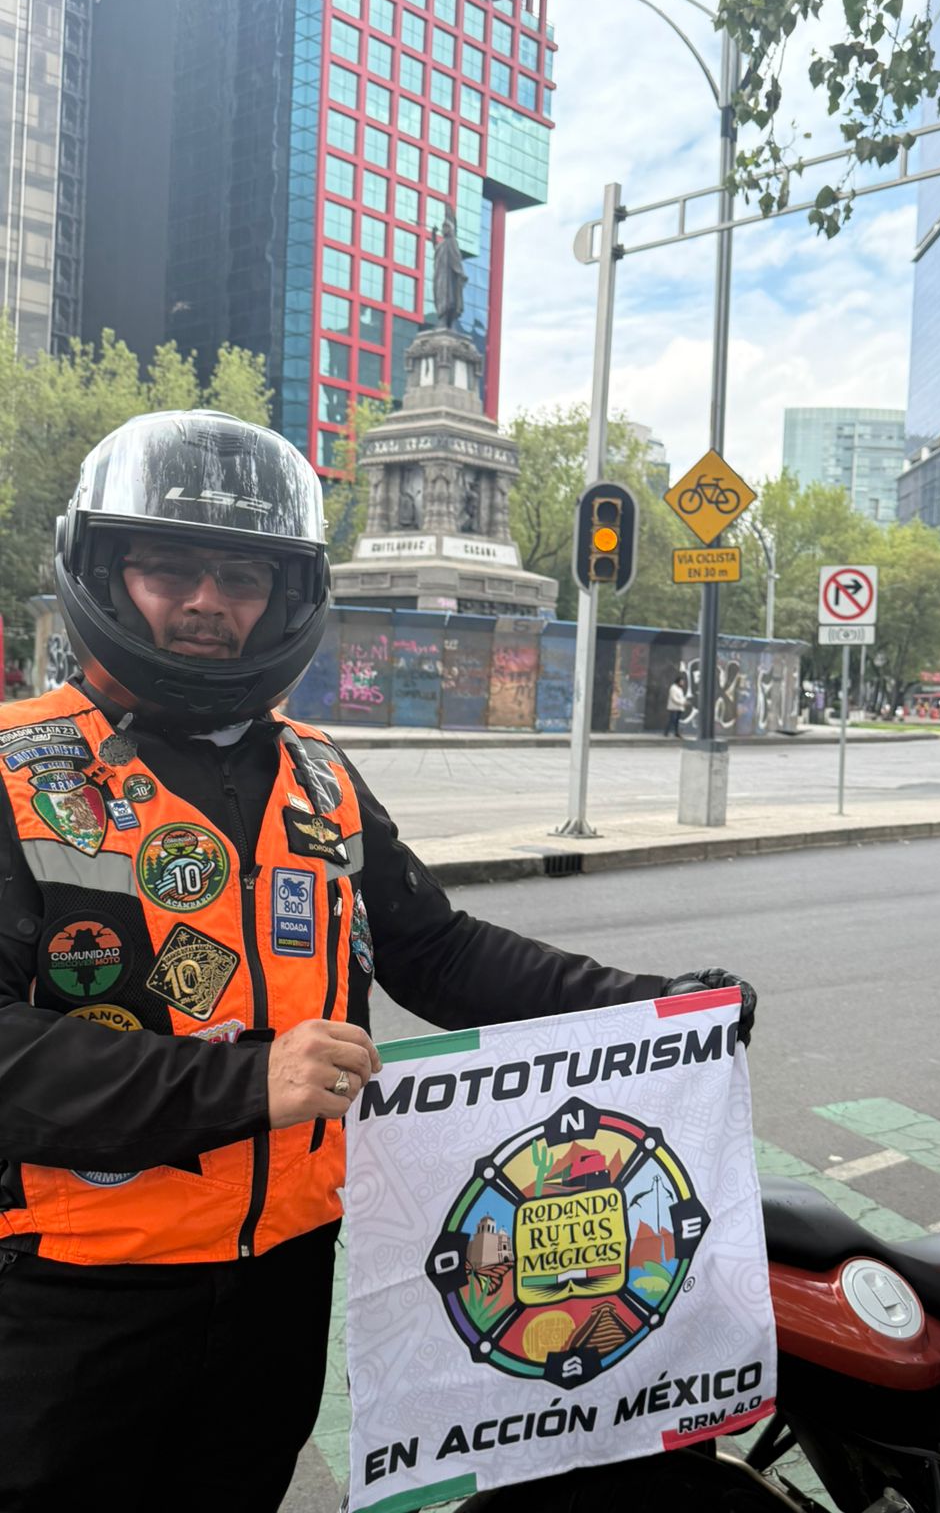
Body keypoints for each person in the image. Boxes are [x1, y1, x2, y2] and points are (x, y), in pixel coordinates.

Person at [0, 411, 756, 1512]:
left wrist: (653, 1007)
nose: (207, 602)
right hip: (72, 1292)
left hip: (283, 1279)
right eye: (168, 568)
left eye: (241, 576)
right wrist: (245, 1082)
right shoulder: (18, 772)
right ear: (106, 573)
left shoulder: (320, 775)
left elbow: (439, 951)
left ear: (286, 596)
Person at [664, 672, 690, 738]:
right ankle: (666, 732)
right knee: (672, 720)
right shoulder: (673, 688)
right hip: (674, 707)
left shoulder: (680, 689)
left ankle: (676, 732)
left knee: (676, 721)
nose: (683, 683)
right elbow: (674, 698)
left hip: (679, 707)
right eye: (681, 682)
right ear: (678, 682)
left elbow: (681, 697)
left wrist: (685, 702)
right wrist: (682, 703)